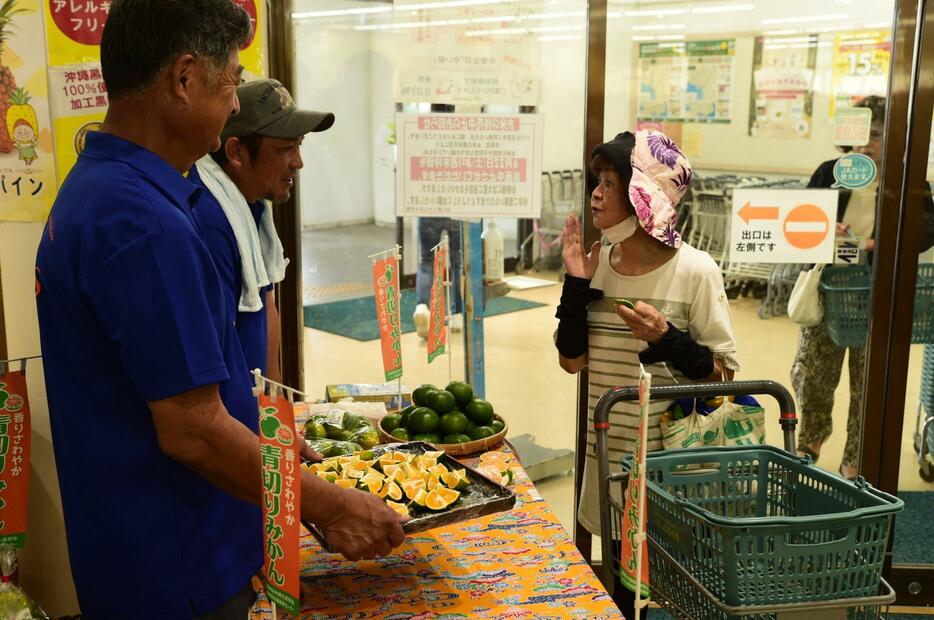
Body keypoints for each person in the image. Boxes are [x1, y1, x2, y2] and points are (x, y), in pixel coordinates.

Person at [34, 2, 405, 618]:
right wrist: (331, 506)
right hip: (175, 564)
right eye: (231, 79)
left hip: (133, 551)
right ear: (184, 80)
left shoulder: (99, 188)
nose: (236, 102)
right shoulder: (144, 223)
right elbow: (193, 431)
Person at [555, 129, 739, 617]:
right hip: (612, 461)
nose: (596, 193)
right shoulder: (596, 268)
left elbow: (724, 376)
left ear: (644, 198)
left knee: (684, 593)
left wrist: (668, 340)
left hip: (678, 468)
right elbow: (571, 362)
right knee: (622, 592)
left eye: (611, 183)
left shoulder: (695, 271)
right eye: (597, 181)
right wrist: (576, 286)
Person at [793, 95, 934, 480]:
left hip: (876, 293)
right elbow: (800, 221)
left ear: (893, 137)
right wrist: (826, 228)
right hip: (828, 288)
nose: (866, 142)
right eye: (859, 133)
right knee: (816, 374)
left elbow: (925, 231)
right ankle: (811, 441)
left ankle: (855, 458)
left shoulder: (906, 178)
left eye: (875, 133)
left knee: (868, 381)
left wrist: (877, 242)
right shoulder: (829, 171)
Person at [189, 78, 334, 382]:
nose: (299, 162)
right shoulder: (208, 218)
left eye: (299, 145)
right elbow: (209, 349)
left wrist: (275, 397)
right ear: (236, 151)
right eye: (285, 148)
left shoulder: (251, 205)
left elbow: (265, 303)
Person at [413, 217, 464, 338]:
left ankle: (422, 307)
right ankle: (457, 315)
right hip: (454, 208)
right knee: (457, 263)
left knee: (426, 261)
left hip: (428, 209)